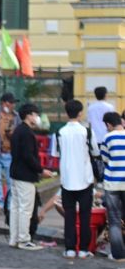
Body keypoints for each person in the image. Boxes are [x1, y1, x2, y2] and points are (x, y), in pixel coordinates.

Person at [53, 99, 100, 259]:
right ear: (80, 113)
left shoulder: (59, 132)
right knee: (85, 216)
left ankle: (70, 248)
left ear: (66, 113)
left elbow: (56, 154)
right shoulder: (87, 132)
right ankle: (84, 249)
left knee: (69, 216)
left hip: (67, 179)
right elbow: (95, 152)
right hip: (85, 179)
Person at [9, 103, 53, 250]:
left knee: (15, 207)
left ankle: (14, 238)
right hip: (25, 176)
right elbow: (28, 156)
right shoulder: (27, 133)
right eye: (35, 114)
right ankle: (24, 239)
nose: (37, 117)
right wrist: (41, 170)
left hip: (15, 174)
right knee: (25, 209)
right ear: (29, 115)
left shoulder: (18, 131)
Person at [100, 111, 125, 261]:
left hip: (113, 184)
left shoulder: (107, 138)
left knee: (114, 220)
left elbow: (105, 159)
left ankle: (118, 255)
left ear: (109, 125)